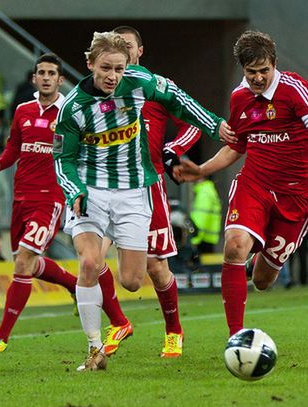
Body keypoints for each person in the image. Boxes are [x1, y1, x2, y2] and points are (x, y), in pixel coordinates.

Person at [53, 31, 235, 371]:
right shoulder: (71, 108)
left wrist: (216, 126)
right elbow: (63, 159)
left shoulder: (142, 82)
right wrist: (74, 190)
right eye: (105, 68)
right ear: (90, 64)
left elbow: (179, 101)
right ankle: (94, 350)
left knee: (134, 280)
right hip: (90, 191)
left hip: (134, 191)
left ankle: (141, 323)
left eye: (119, 69)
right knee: (90, 263)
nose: (112, 76)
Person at [174, 30, 308, 336]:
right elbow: (237, 145)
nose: (259, 78)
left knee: (264, 281)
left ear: (274, 64)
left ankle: (254, 265)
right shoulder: (239, 97)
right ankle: (235, 337)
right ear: (243, 69)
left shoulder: (295, 90)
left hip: (296, 196)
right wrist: (201, 170)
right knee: (234, 247)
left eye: (265, 70)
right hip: (255, 185)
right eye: (252, 72)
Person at [97, 26, 203, 359]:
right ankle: (118, 322)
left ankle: (174, 332)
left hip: (146, 185)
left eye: (127, 46)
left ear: (139, 51)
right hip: (106, 184)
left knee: (155, 268)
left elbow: (194, 122)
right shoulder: (100, 91)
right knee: (91, 257)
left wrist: (173, 149)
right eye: (116, 46)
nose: (122, 51)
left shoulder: (154, 87)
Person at [0, 53, 78, 354]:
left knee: (23, 262)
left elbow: (75, 155)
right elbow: (13, 147)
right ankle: (75, 285)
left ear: (60, 80)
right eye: (41, 73)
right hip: (20, 199)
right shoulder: (22, 110)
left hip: (49, 200)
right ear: (34, 78)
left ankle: (1, 337)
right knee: (29, 266)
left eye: (52, 73)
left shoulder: (68, 113)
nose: (46, 77)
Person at [190, 177, 222, 254]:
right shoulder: (209, 189)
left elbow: (200, 219)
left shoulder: (204, 192)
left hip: (202, 240)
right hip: (208, 239)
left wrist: (194, 240)